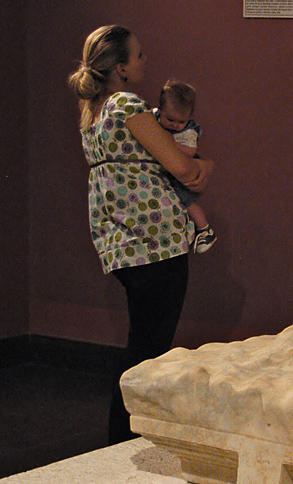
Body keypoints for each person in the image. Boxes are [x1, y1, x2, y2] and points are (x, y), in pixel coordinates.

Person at [68, 24, 214, 444]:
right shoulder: (127, 104)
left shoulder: (94, 112)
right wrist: (208, 166)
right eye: (139, 55)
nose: (145, 61)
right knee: (149, 353)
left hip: (122, 243)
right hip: (156, 242)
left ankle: (124, 439)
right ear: (121, 68)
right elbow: (183, 167)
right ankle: (125, 442)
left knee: (143, 346)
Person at [155, 79, 217, 253]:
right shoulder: (151, 119)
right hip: (163, 172)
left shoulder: (188, 131)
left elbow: (190, 151)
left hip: (179, 173)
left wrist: (170, 142)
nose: (175, 125)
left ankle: (204, 229)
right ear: (159, 110)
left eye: (181, 122)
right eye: (170, 119)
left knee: (186, 200)